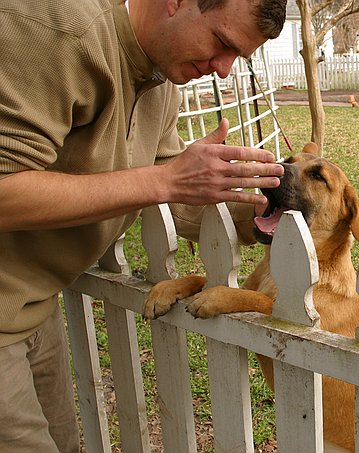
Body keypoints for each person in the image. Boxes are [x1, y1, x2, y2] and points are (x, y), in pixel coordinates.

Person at [0, 0, 288, 451]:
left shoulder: (161, 82)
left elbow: (173, 200)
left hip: (34, 306)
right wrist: (165, 179)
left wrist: (260, 216)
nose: (224, 70)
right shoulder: (58, 28)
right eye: (221, 43)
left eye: (239, 58)